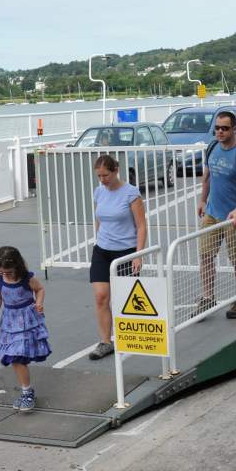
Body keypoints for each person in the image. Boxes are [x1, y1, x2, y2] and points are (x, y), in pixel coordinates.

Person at [197, 110, 236, 319]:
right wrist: (202, 199)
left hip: (235, 217)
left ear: (234, 129)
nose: (220, 132)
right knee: (205, 255)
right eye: (217, 128)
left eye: (224, 128)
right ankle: (207, 298)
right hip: (212, 213)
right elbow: (208, 176)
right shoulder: (212, 147)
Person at [88, 154, 146, 360]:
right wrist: (98, 239)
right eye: (99, 176)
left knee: (127, 298)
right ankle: (105, 341)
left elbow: (141, 226)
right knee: (101, 297)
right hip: (102, 250)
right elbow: (99, 219)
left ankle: (133, 337)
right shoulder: (99, 192)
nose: (102, 180)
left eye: (105, 175)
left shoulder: (131, 193)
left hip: (125, 252)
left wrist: (138, 255)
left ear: (115, 171)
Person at [0, 246, 51, 412]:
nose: (4, 275)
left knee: (18, 357)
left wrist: (39, 303)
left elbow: (40, 289)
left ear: (17, 266)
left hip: (26, 321)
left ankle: (27, 392)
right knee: (15, 357)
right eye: (1, 272)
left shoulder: (25, 279)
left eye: (7, 272)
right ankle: (27, 391)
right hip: (10, 321)